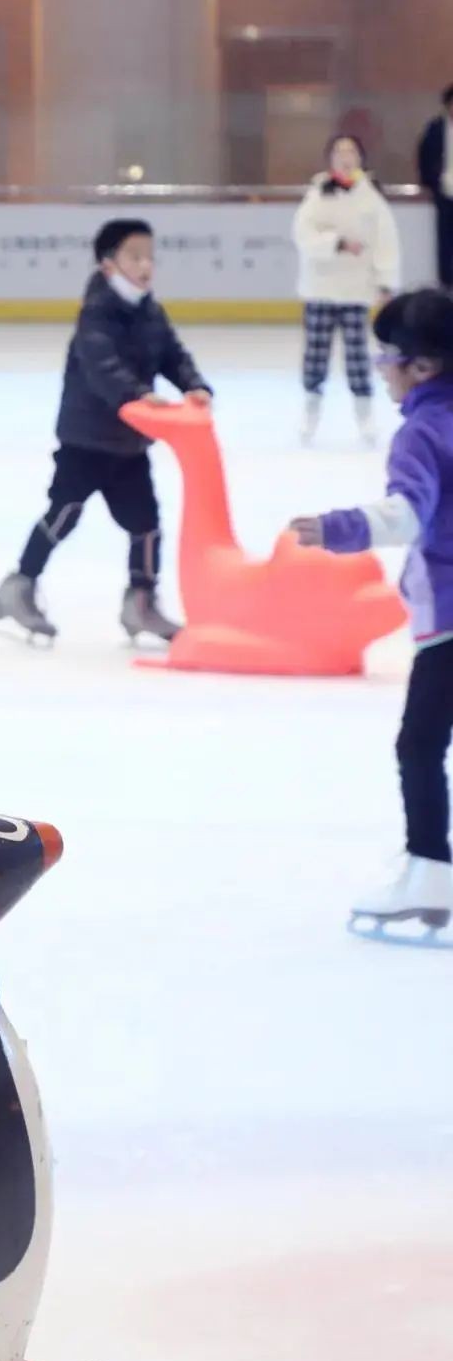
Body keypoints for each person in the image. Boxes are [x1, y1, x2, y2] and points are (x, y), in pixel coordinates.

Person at [289, 289, 453, 929]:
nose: (383, 369)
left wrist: (337, 528)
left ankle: (431, 873)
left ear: (423, 366)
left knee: (419, 745)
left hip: (449, 621)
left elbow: (406, 514)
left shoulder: (422, 433)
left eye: (390, 357)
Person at [0, 219, 212, 645]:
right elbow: (102, 367)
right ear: (109, 264)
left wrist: (194, 385)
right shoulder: (95, 313)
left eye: (150, 257)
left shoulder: (149, 310)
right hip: (86, 440)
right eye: (135, 257)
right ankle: (18, 586)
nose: (145, 266)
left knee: (146, 524)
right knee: (64, 513)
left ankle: (141, 602)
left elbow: (172, 354)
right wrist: (138, 394)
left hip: (130, 443)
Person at [291, 134, 400, 447]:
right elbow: (303, 234)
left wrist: (385, 282)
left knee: (357, 355)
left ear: (360, 157)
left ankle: (364, 413)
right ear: (330, 158)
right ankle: (311, 409)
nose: (345, 157)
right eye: (339, 151)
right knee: (316, 354)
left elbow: (386, 242)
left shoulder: (371, 197)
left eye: (351, 151)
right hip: (321, 288)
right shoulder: (318, 193)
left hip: (356, 289)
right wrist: (336, 243)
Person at [416, 86, 453, 289]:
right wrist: (429, 182)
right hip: (444, 193)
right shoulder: (436, 128)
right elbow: (424, 156)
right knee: (445, 242)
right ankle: (446, 285)